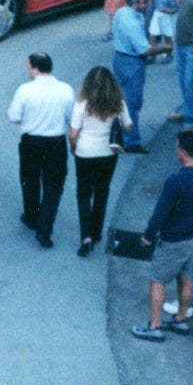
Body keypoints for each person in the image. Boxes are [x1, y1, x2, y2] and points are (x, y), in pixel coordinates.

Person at [132, 130, 193, 341]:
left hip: (173, 240)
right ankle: (180, 319)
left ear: (182, 152)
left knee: (157, 279)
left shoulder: (176, 180)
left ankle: (154, 327)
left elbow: (161, 213)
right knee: (187, 277)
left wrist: (148, 235)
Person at [7, 52, 76, 248]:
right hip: (56, 143)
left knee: (30, 180)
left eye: (29, 67)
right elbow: (72, 119)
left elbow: (13, 116)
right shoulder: (66, 90)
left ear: (35, 68)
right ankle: (44, 230)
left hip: (31, 143)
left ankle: (31, 216)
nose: (28, 70)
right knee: (53, 186)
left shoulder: (25, 90)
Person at [70, 66, 132, 258]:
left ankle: (85, 237)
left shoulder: (82, 105)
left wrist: (73, 147)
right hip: (107, 154)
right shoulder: (118, 104)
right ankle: (97, 232)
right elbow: (128, 127)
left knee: (83, 194)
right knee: (102, 192)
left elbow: (73, 133)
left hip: (85, 153)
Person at [112, 0, 159, 153]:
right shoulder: (131, 23)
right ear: (135, 3)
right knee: (133, 103)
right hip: (131, 62)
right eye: (145, 1)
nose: (148, 4)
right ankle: (131, 141)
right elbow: (144, 50)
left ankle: (117, 134)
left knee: (123, 99)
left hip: (120, 58)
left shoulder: (122, 13)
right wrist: (165, 48)